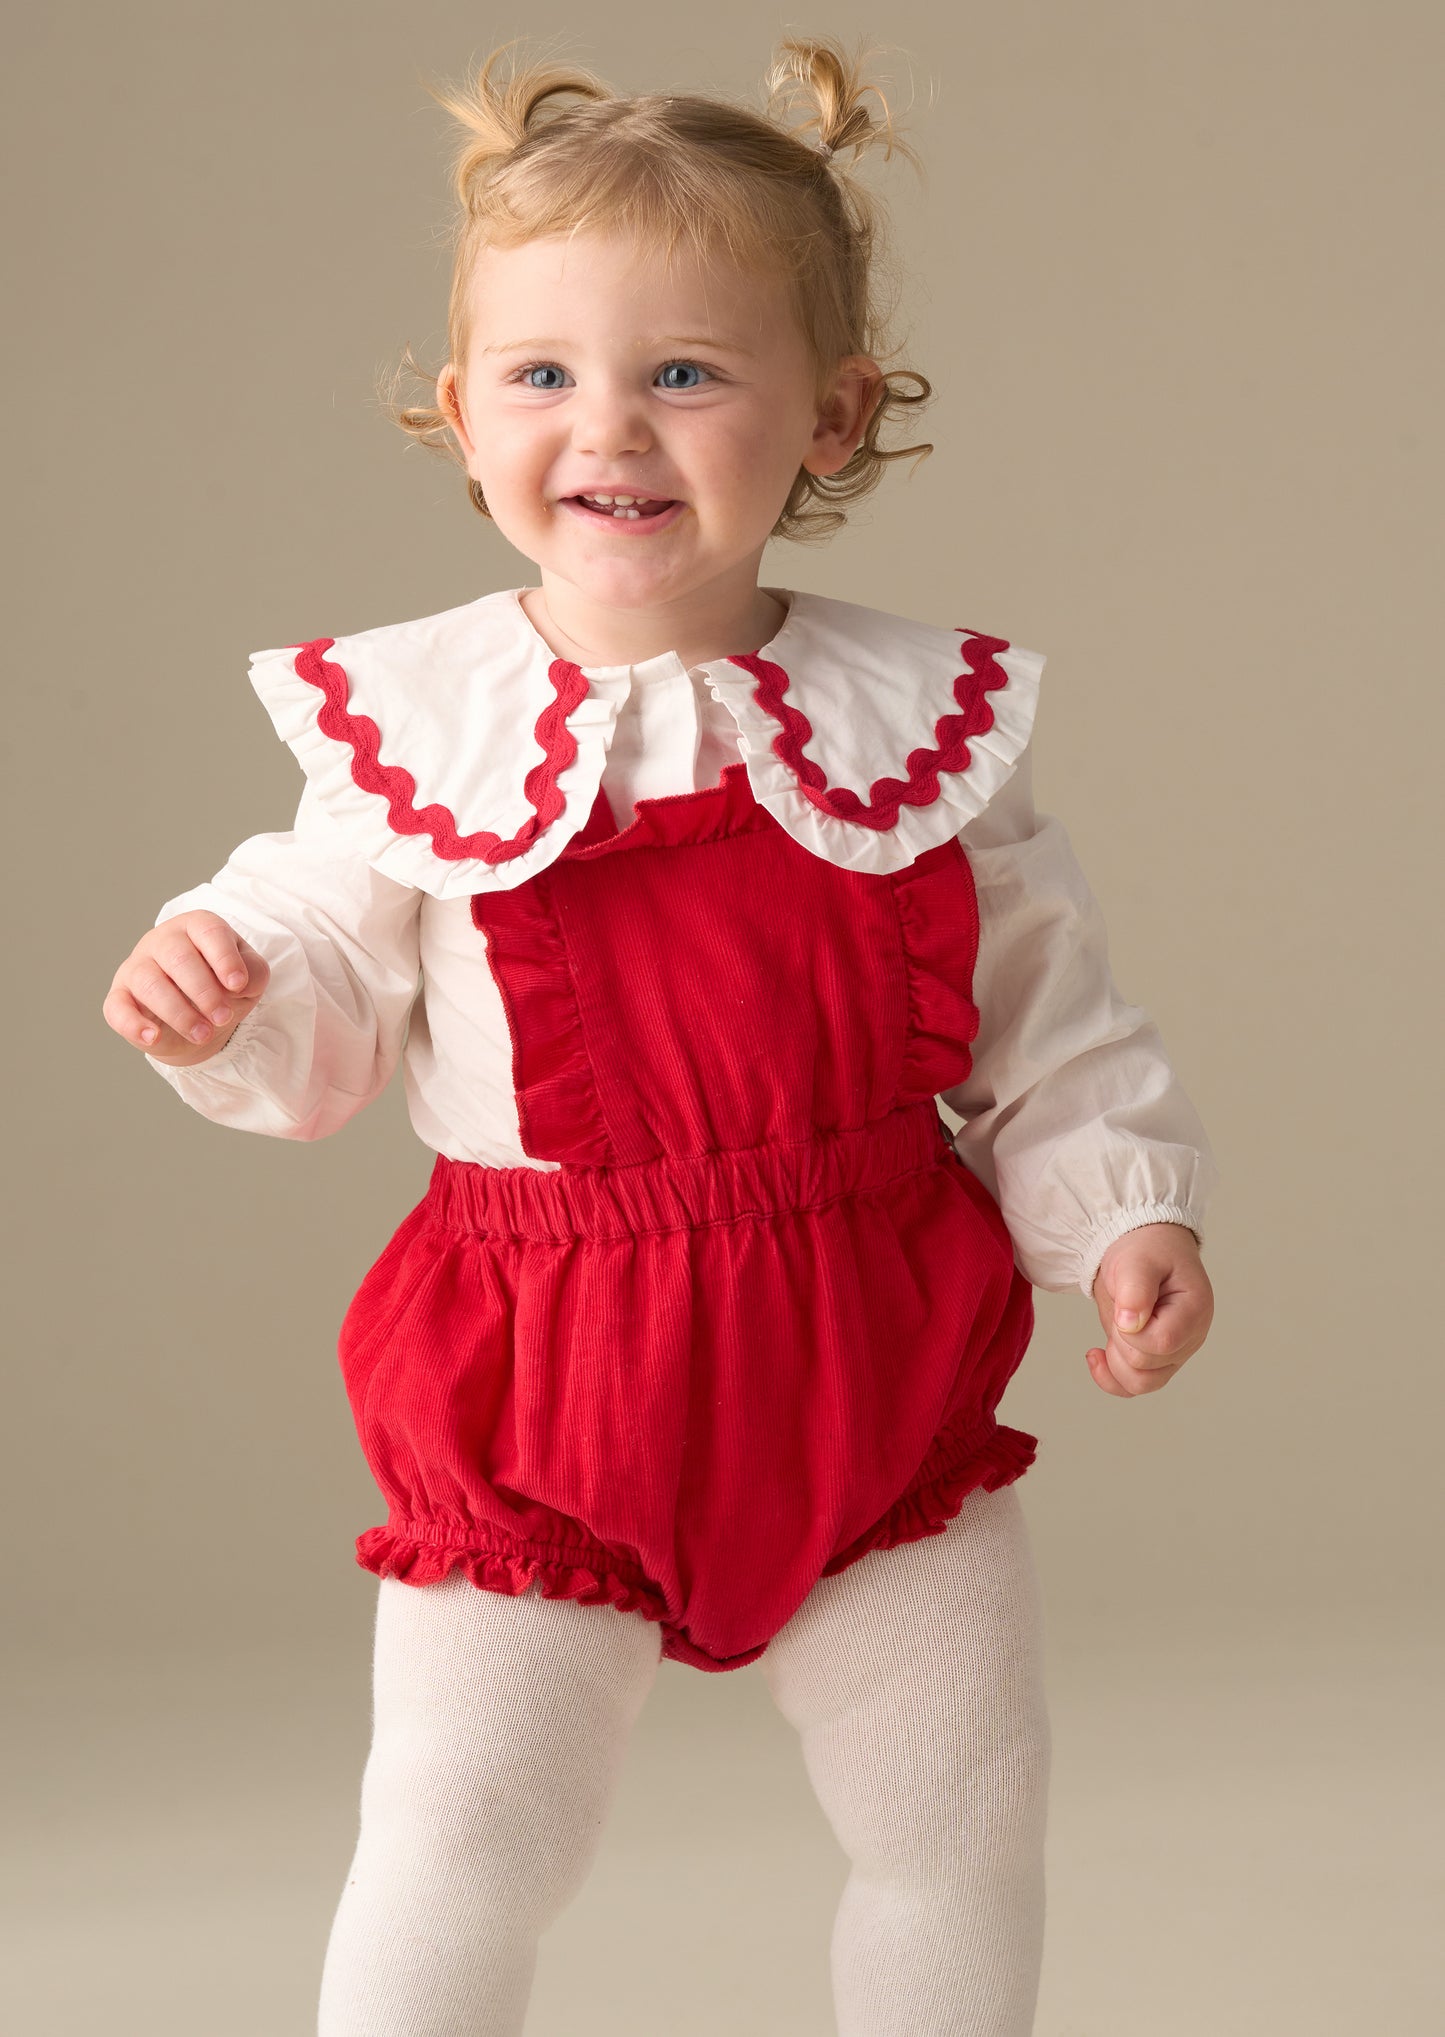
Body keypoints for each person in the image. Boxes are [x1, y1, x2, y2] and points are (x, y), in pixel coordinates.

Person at [103, 35, 1218, 2036]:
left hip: (871, 1341)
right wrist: (228, 983)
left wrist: (1123, 1211)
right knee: (462, 1834)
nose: (608, 424)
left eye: (686, 371)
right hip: (545, 1373)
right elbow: (318, 962)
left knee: (959, 1820)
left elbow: (1048, 1020)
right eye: (542, 374)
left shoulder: (918, 734)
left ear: (832, 414)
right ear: (463, 415)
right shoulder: (420, 736)